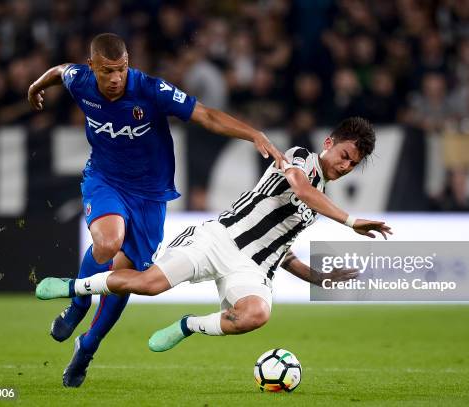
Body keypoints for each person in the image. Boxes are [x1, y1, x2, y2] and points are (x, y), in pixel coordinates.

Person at [27, 33, 286, 387]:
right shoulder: (80, 81)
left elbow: (206, 115)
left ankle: (87, 346)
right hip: (105, 179)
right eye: (107, 72)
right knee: (107, 243)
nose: (116, 78)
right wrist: (36, 86)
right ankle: (77, 305)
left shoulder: (150, 89)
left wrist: (253, 133)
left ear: (128, 62)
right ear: (93, 68)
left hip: (150, 195)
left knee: (125, 278)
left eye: (121, 69)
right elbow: (60, 71)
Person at [36, 116, 392, 352]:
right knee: (149, 285)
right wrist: (350, 222)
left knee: (256, 315)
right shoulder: (300, 158)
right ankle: (74, 287)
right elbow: (299, 187)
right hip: (219, 239)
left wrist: (320, 278)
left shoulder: (319, 203)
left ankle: (188, 325)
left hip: (250, 269)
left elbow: (282, 252)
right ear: (328, 143)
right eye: (344, 155)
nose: (345, 166)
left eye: (352, 164)